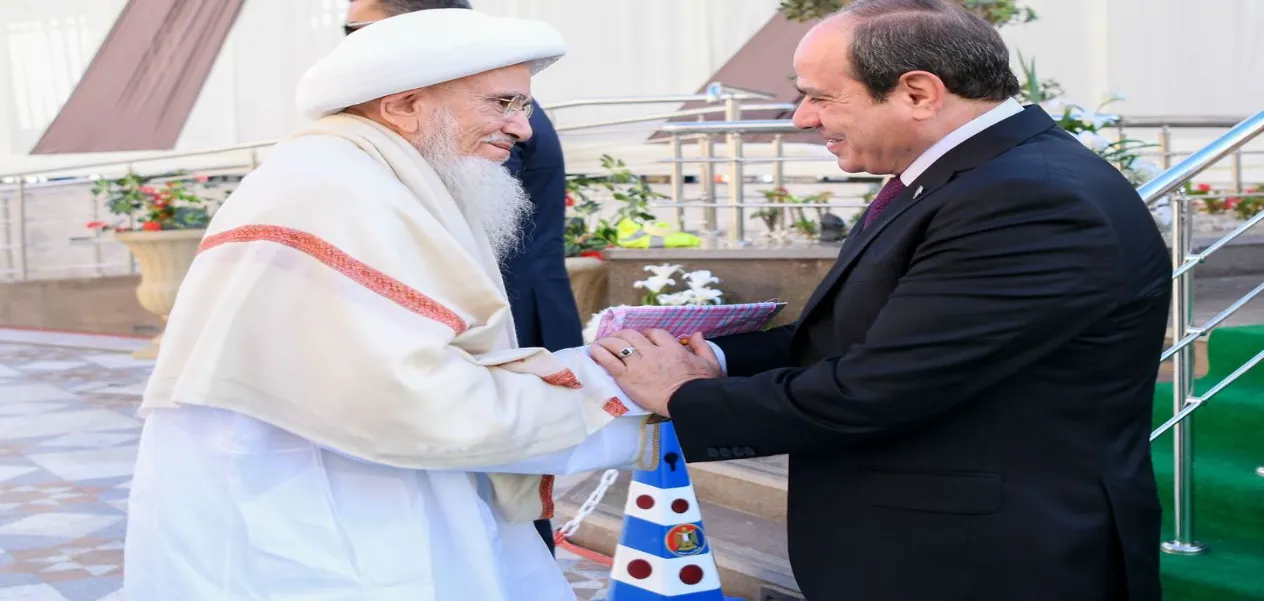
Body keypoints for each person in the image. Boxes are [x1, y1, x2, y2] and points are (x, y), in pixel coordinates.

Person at [591, 1, 1170, 600]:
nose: (802, 118)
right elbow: (866, 332)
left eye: (821, 96)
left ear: (918, 93)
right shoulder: (973, 176)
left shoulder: (1029, 199)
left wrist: (683, 395)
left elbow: (876, 387)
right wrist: (714, 356)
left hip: (981, 562)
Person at [123, 10, 659, 601]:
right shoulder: (340, 188)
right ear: (403, 106)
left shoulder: (358, 171)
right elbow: (414, 395)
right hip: (316, 499)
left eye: (523, 108)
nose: (522, 130)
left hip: (341, 478)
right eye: (502, 104)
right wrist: (617, 389)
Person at [346, 0, 583, 558]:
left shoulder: (475, 120)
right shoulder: (475, 105)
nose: (350, 46)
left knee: (500, 519)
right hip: (506, 321)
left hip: (500, 327)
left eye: (358, 30)